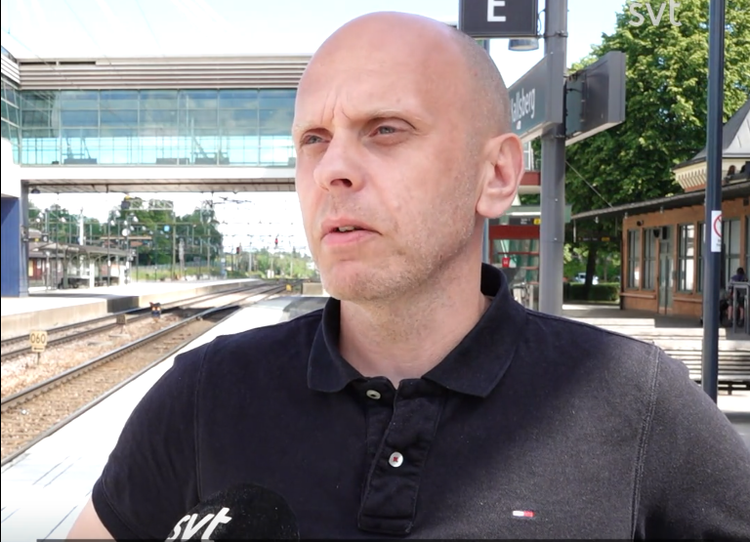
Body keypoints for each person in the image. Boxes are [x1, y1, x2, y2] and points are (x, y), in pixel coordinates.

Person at [67, 12, 750, 540]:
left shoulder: (637, 405)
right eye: (313, 139)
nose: (333, 169)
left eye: (386, 129)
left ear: (497, 174)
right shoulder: (203, 395)